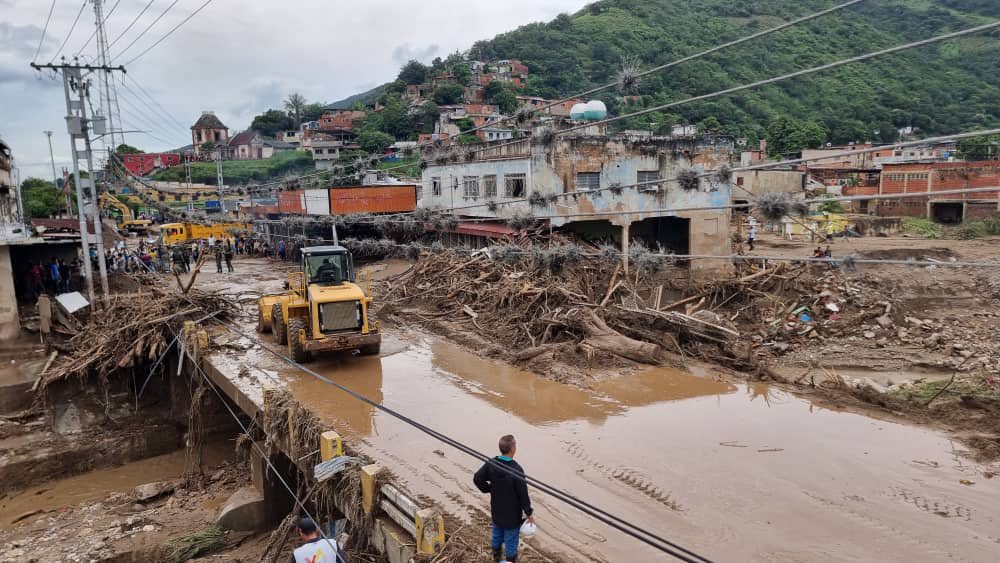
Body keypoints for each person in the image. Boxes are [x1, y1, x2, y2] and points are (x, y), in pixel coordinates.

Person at [474, 435, 534, 563]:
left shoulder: (492, 463)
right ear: (513, 448)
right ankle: (510, 560)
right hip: (512, 517)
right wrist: (529, 513)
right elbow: (523, 494)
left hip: (497, 511)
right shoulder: (517, 469)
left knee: (497, 535)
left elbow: (477, 478)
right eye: (515, 445)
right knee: (511, 542)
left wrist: (488, 488)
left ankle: (496, 557)